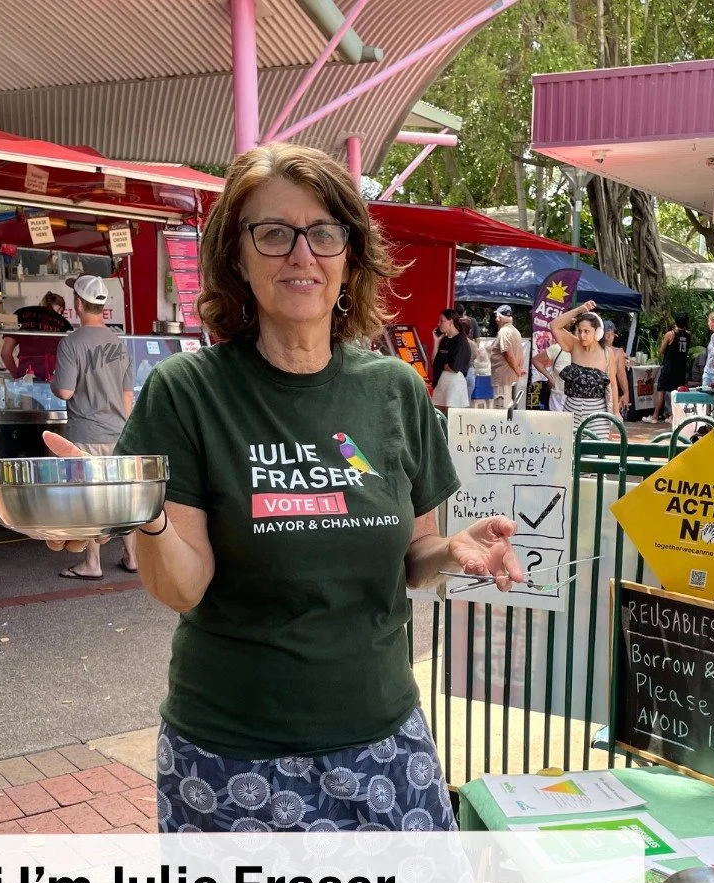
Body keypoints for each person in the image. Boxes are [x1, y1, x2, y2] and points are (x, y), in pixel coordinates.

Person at [43, 141, 523, 837]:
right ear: (237, 256)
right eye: (273, 233)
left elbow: (412, 560)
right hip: (232, 758)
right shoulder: (190, 393)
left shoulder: (392, 391)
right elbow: (182, 588)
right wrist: (139, 511)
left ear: (350, 255)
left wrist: (452, 551)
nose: (302, 254)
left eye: (323, 232)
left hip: (385, 739)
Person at [50, 274, 137, 578]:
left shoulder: (72, 343)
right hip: (118, 431)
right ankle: (131, 556)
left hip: (86, 432)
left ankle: (92, 563)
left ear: (77, 304)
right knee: (120, 495)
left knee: (91, 496)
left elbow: (65, 392)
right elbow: (128, 397)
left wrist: (52, 381)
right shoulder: (121, 344)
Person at [548, 300, 621, 438]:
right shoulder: (574, 344)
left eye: (587, 331)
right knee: (570, 452)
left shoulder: (607, 352)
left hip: (597, 412)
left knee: (596, 451)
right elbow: (554, 325)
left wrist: (616, 411)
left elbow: (612, 383)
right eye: (580, 331)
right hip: (571, 410)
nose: (582, 335)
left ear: (597, 332)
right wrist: (578, 310)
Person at [0, 291, 72, 381]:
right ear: (61, 309)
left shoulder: (20, 314)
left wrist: (16, 376)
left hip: (25, 375)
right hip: (51, 379)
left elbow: (5, 353)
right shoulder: (64, 324)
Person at [644, 310, 692, 424]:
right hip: (681, 368)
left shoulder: (671, 334)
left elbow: (661, 350)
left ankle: (655, 416)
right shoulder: (688, 335)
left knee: (661, 390)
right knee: (676, 391)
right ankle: (672, 416)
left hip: (669, 367)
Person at [489, 304, 525, 409]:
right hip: (510, 377)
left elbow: (507, 353)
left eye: (497, 316)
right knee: (507, 407)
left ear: (499, 317)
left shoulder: (504, 331)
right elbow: (520, 354)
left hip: (502, 378)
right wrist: (518, 369)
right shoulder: (515, 331)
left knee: (501, 410)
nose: (496, 319)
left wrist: (517, 369)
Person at [431, 308, 472, 388]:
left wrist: (440, 364)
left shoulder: (460, 341)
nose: (438, 324)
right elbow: (433, 362)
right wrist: (436, 342)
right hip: (440, 387)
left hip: (453, 389)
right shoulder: (444, 340)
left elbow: (454, 367)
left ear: (451, 322)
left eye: (442, 321)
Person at [602, 319, 629, 419]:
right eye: (607, 334)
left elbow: (621, 374)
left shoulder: (618, 352)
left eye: (612, 334)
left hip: (611, 389)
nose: (609, 337)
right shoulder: (595, 350)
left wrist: (626, 393)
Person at [702, 309, 714, 391]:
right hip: (708, 370)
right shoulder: (712, 336)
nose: (708, 323)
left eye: (709, 321)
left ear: (713, 322)